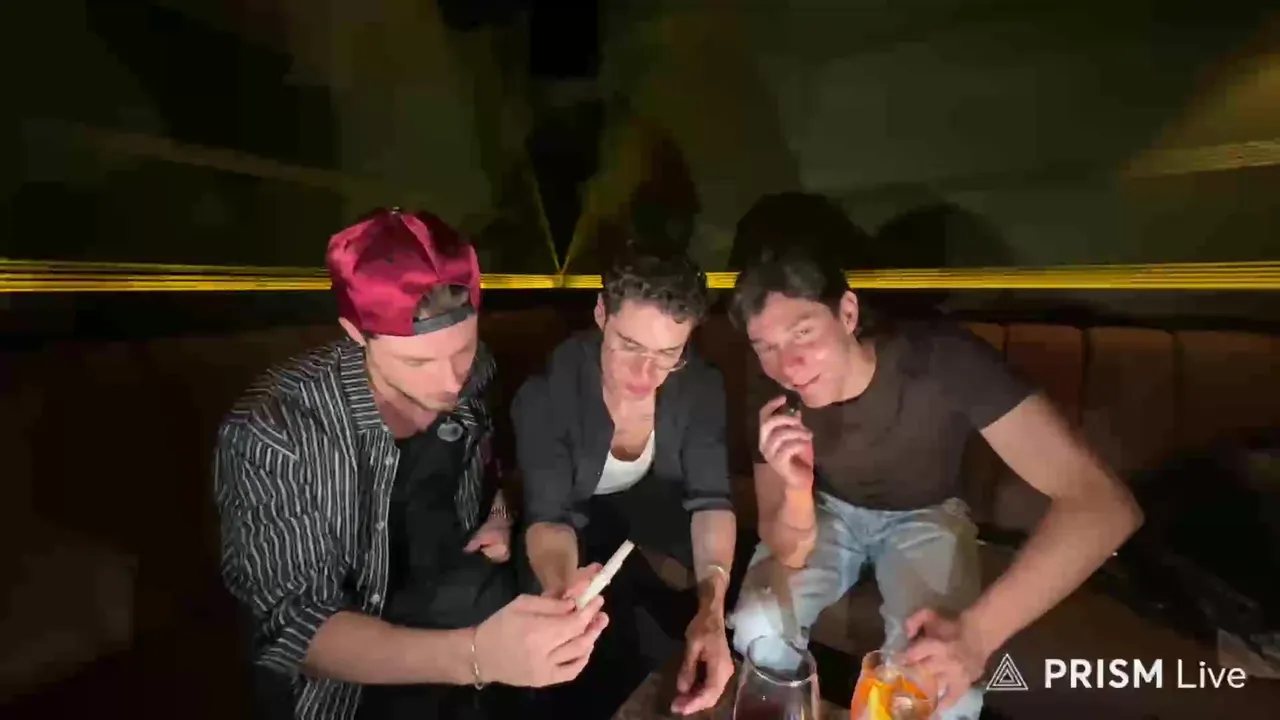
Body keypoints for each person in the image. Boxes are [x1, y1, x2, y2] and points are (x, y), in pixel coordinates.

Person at [214, 209, 607, 720]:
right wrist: (478, 656)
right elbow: (296, 628)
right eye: (417, 362)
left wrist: (500, 515)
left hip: (474, 626)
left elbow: (496, 469)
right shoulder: (276, 430)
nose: (450, 380)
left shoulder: (478, 372)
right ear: (356, 333)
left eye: (462, 350)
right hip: (359, 690)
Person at [726, 249, 1143, 720]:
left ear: (847, 313)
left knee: (940, 686)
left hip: (926, 513)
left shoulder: (942, 359)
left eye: (803, 332)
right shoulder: (774, 392)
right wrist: (798, 491)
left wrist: (977, 635)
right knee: (757, 624)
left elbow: (1106, 506)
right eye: (766, 347)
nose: (790, 366)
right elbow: (787, 547)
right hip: (830, 508)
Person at [511, 253, 738, 717]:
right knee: (574, 645)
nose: (644, 374)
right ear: (601, 313)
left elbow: (712, 500)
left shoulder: (699, 385)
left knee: (710, 614)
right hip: (570, 534)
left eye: (667, 354)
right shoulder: (548, 393)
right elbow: (550, 515)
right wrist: (563, 588)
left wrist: (712, 610)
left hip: (651, 525)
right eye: (629, 346)